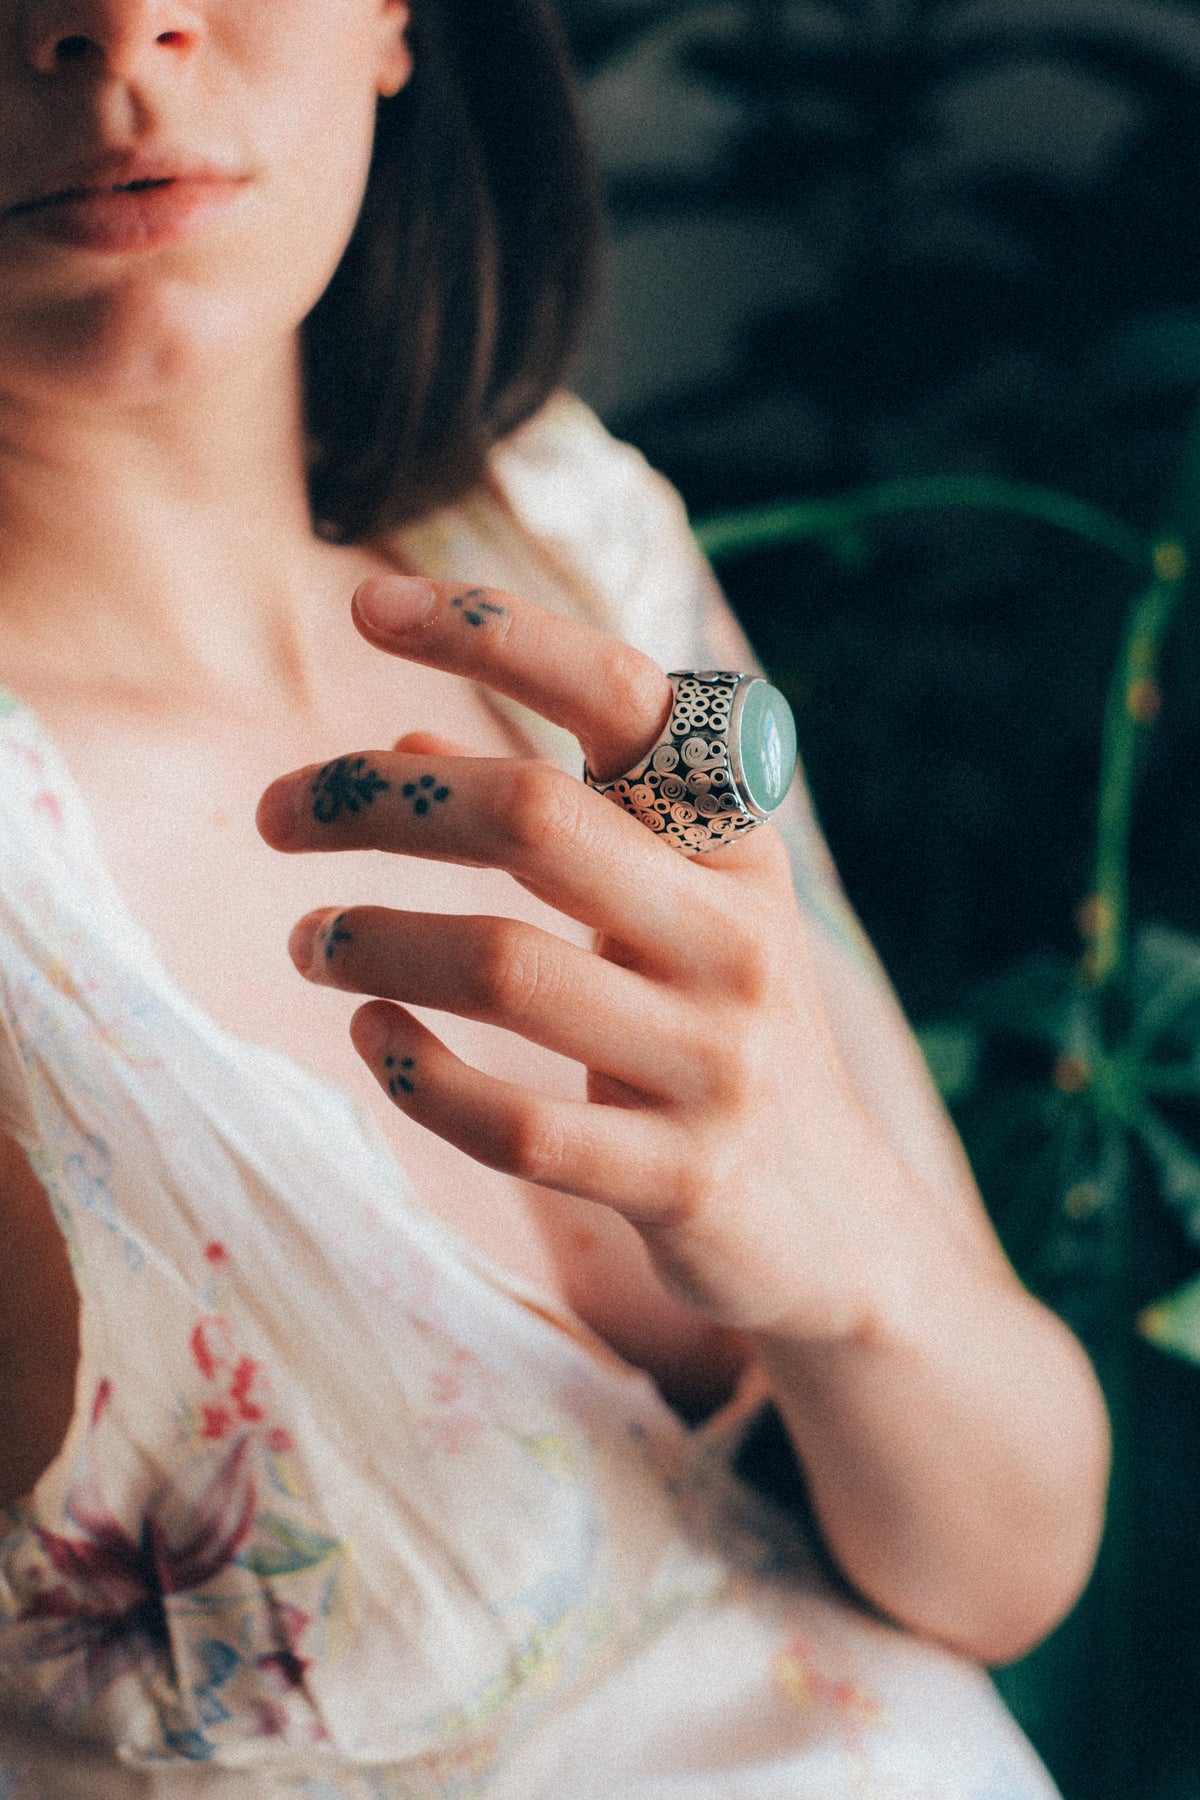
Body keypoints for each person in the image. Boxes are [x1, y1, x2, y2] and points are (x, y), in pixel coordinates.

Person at [0, 1, 1109, 1794]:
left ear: (391, 20)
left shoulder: (568, 558)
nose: (123, 26)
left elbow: (1004, 1561)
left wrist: (851, 1277)